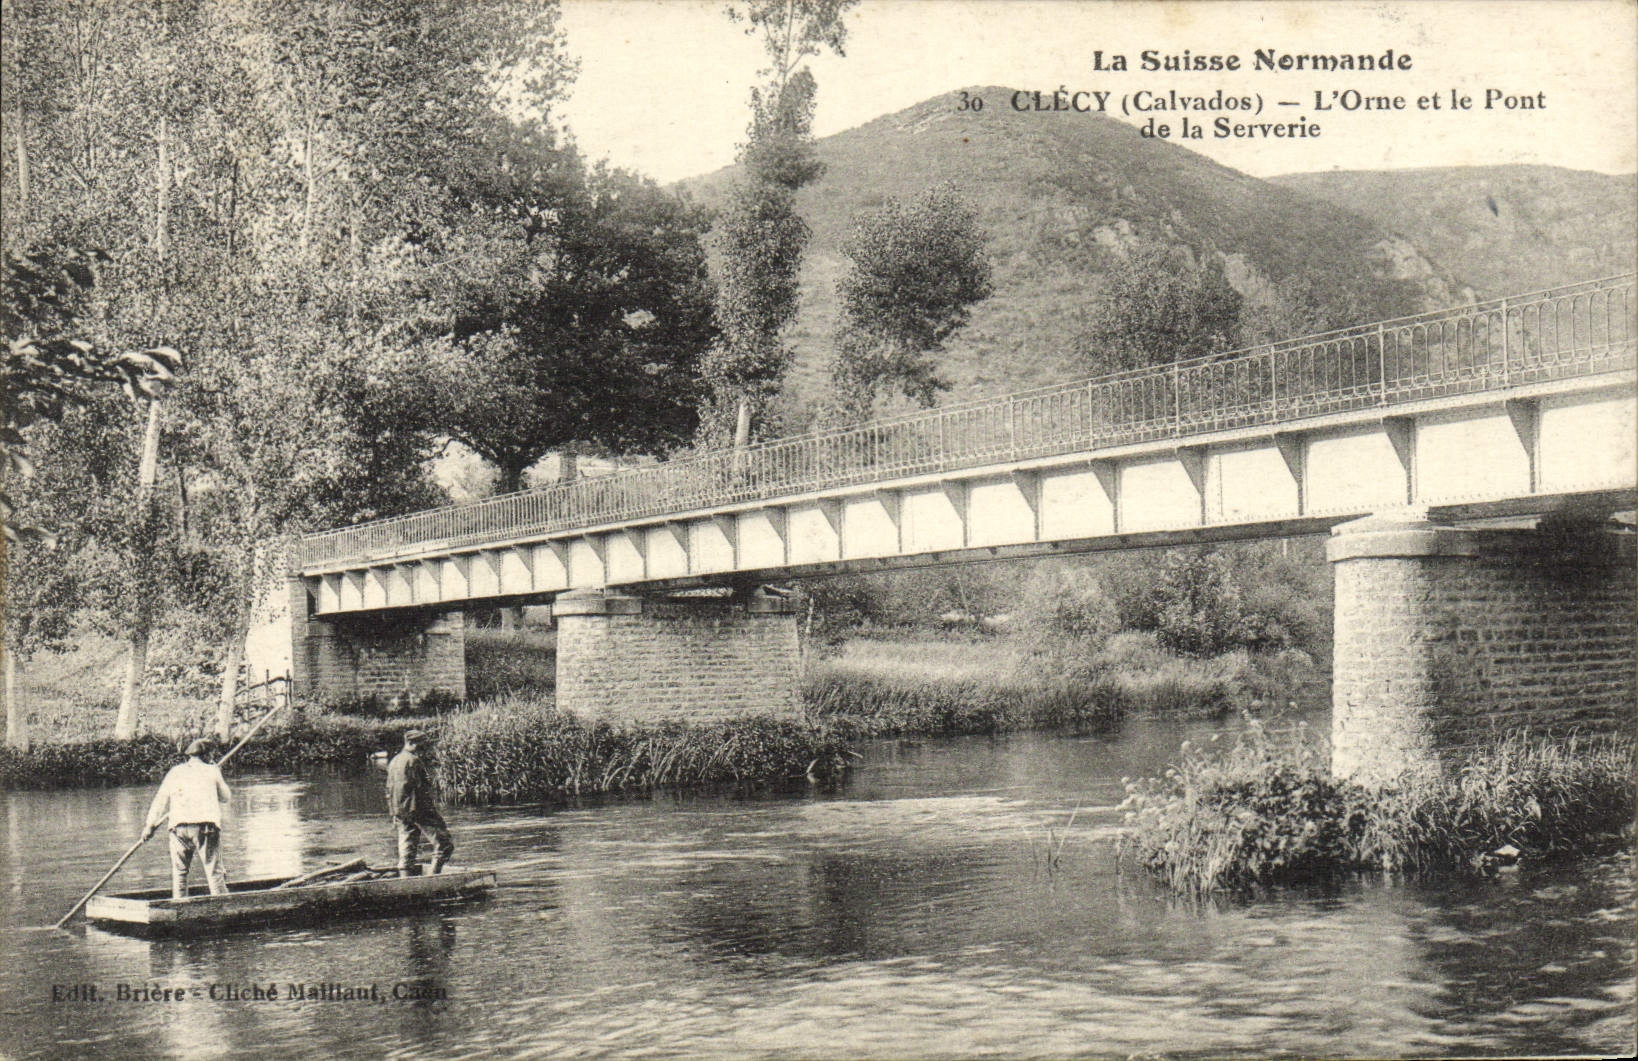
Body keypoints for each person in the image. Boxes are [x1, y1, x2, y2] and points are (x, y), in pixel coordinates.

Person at [141, 738, 232, 899]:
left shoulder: (175, 772)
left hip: (178, 828)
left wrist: (149, 826)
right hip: (206, 827)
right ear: (207, 755)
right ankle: (224, 907)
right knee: (214, 870)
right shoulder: (212, 770)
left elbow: (160, 800)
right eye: (211, 753)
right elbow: (226, 797)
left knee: (180, 872)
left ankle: (179, 907)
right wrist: (217, 775)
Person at [387, 729, 454, 877]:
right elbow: (421, 790)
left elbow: (389, 790)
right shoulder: (413, 761)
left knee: (407, 850)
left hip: (400, 811)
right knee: (444, 843)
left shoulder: (394, 761)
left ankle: (405, 884)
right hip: (418, 809)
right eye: (422, 745)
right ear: (411, 743)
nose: (425, 749)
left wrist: (394, 813)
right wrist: (432, 813)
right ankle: (433, 878)